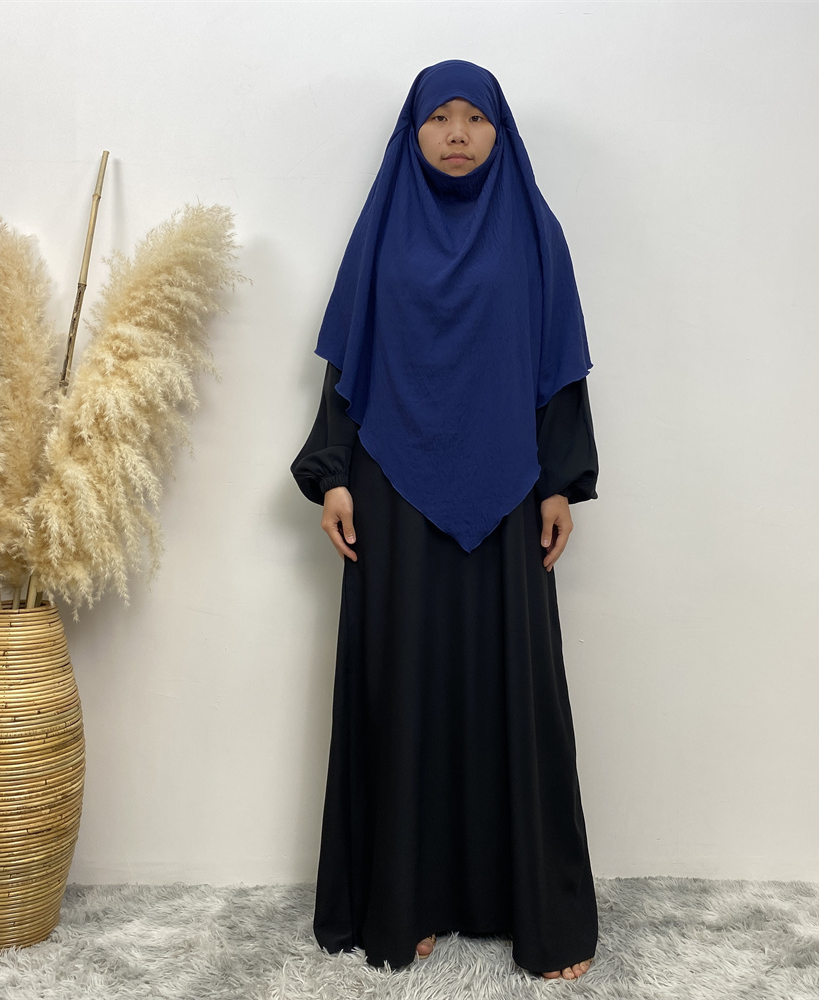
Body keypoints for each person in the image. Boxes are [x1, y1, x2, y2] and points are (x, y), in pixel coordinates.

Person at [292, 59, 599, 981]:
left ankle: (522, 905)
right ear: (413, 131)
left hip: (508, 490)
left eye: (475, 117)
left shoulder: (534, 232)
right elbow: (348, 362)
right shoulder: (384, 226)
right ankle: (407, 898)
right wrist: (333, 474)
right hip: (391, 487)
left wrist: (560, 482)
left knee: (513, 689)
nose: (457, 133)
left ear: (500, 132)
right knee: (405, 684)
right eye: (439, 118)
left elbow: (557, 363)